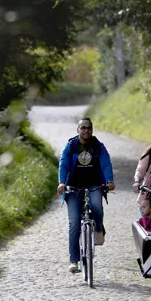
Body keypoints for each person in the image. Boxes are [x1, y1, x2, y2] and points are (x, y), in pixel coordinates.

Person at [56, 117, 116, 273]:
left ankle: (98, 229)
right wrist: (62, 182)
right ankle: (74, 261)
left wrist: (109, 180)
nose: (86, 130)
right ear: (78, 130)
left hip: (94, 184)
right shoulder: (71, 146)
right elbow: (63, 164)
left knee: (97, 206)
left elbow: (105, 163)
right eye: (83, 128)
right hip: (73, 187)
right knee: (74, 222)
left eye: (89, 128)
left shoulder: (98, 146)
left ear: (92, 130)